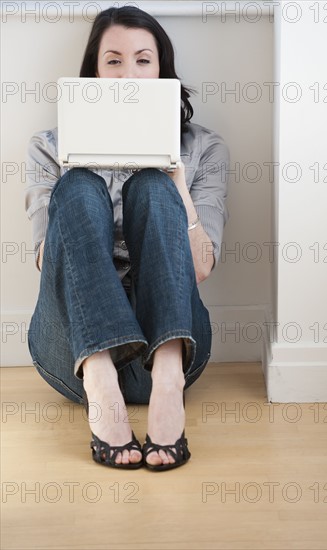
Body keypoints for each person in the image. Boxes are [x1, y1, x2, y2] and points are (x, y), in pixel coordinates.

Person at [25, 6, 229, 471]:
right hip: (76, 354)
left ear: (161, 71)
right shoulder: (49, 147)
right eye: (113, 61)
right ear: (94, 72)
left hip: (169, 351)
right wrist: (80, 169)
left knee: (153, 186)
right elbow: (46, 260)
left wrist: (175, 179)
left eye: (143, 60)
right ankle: (102, 388)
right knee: (76, 185)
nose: (128, 75)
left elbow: (200, 268)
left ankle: (168, 387)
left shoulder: (203, 147)